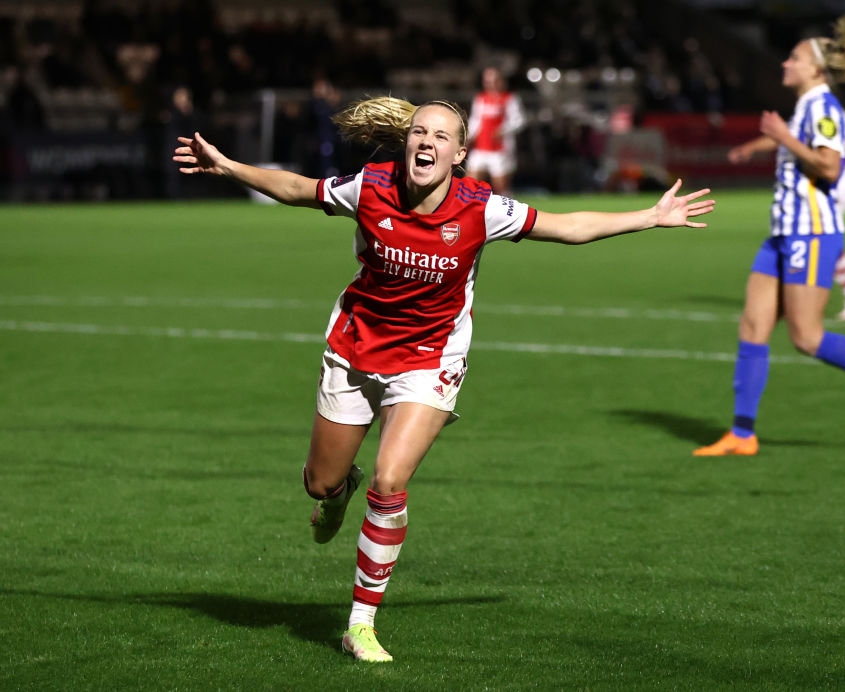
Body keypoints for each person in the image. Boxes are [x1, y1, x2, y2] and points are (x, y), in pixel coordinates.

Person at [173, 96, 715, 662]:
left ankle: (360, 625)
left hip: (430, 359)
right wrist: (228, 166)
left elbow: (568, 226)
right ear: (406, 142)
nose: (426, 142)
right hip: (356, 347)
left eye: (440, 136)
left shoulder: (482, 208)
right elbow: (296, 188)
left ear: (459, 154)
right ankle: (337, 491)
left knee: (390, 482)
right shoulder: (371, 186)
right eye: (418, 132)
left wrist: (648, 217)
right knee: (320, 483)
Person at [694, 15, 845, 457]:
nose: (785, 63)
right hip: (783, 234)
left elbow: (830, 167)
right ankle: (742, 434)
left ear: (816, 69)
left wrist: (783, 137)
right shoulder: (805, 107)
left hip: (812, 234)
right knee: (753, 326)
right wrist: (771, 141)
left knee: (807, 338)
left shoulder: (824, 108)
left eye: (793, 58)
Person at [729, 109, 845, 321]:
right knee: (816, 239)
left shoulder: (825, 109)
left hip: (828, 188)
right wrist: (751, 147)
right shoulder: (811, 108)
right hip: (820, 188)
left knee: (813, 238)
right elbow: (784, 138)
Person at [465, 67, 524, 196]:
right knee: (470, 184)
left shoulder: (509, 99)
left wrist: (503, 130)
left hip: (500, 150)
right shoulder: (480, 99)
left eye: (495, 81)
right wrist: (468, 137)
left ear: (502, 81)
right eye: (488, 81)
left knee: (501, 187)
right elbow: (475, 121)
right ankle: (473, 207)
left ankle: (508, 207)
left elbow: (519, 121)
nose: (491, 84)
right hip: (480, 147)